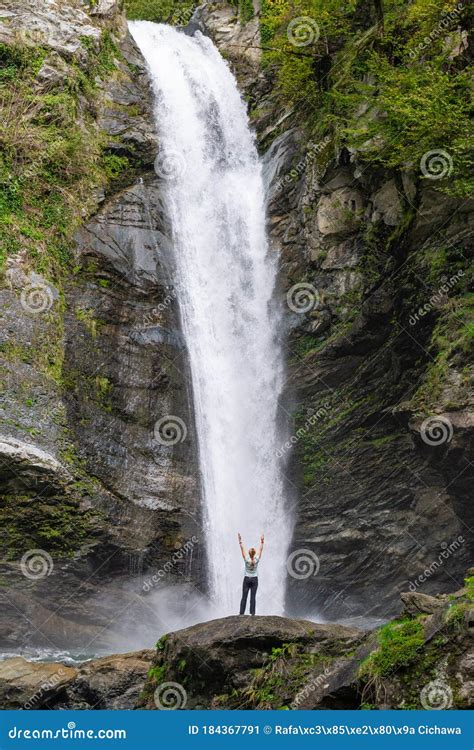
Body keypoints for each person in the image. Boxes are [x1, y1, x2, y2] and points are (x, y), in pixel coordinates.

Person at [238, 532, 264, 615]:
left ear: (249, 554)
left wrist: (240, 541)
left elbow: (242, 549)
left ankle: (241, 613)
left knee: (244, 597)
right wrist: (262, 542)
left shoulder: (246, 559)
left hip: (246, 579)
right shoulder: (256, 560)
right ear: (254, 553)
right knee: (253, 597)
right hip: (254, 579)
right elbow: (260, 550)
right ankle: (252, 613)